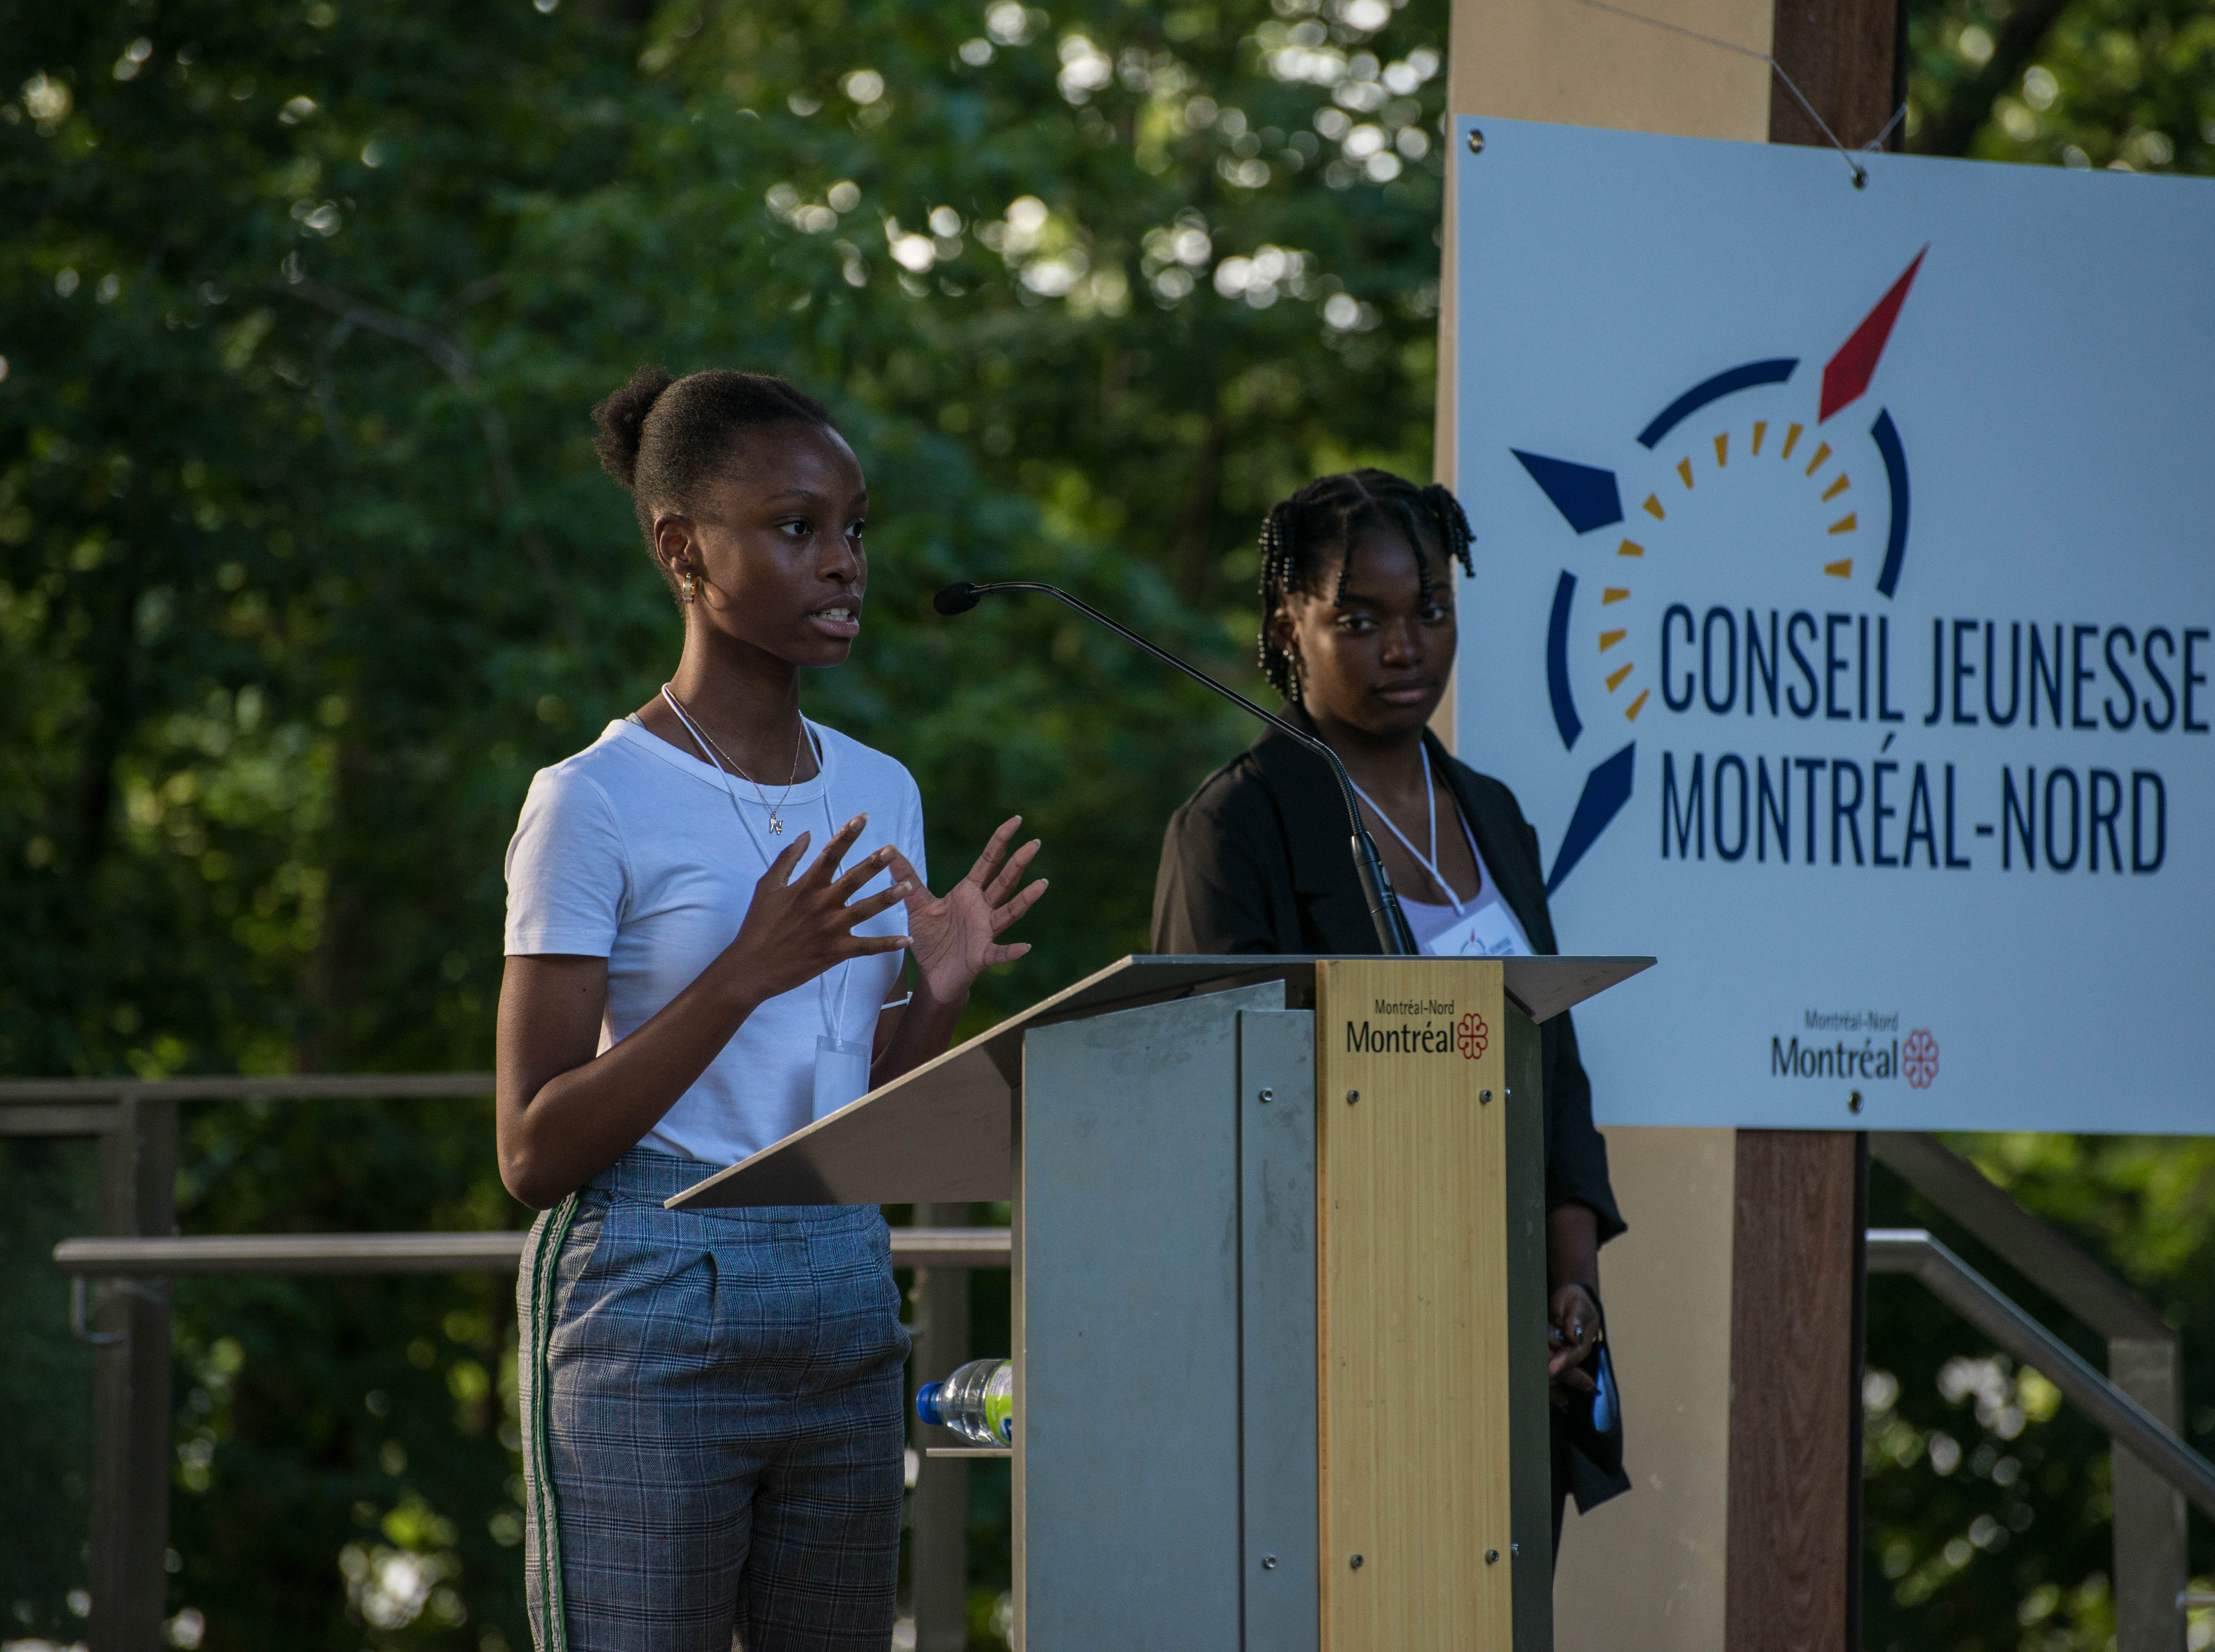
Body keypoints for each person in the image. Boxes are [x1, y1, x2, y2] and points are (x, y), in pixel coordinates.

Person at [496, 367, 1046, 1652]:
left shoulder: (881, 789)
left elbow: (852, 1114)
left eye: (855, 528)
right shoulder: (593, 798)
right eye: (797, 530)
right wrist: (743, 971)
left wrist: (941, 995)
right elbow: (531, 1151)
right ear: (683, 549)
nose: (843, 563)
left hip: (843, 1290)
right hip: (651, 1302)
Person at [1150, 467, 1631, 1542]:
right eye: (1358, 620)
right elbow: (1214, 1108)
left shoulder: (1494, 815)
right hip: (1338, 1346)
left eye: (1431, 613)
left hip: (1516, 1340)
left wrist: (1572, 1294)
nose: (1404, 649)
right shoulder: (1237, 827)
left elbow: (1558, 1080)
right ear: (1293, 625)